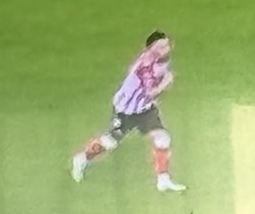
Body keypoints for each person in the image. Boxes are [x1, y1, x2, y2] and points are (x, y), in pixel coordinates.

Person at [71, 31, 185, 192]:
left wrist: (165, 79)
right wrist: (166, 82)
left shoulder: (161, 60)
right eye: (160, 46)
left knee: (162, 137)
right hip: (126, 110)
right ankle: (82, 159)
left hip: (145, 109)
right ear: (150, 48)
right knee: (110, 142)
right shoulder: (145, 65)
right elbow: (150, 92)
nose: (165, 49)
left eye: (166, 45)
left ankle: (163, 180)